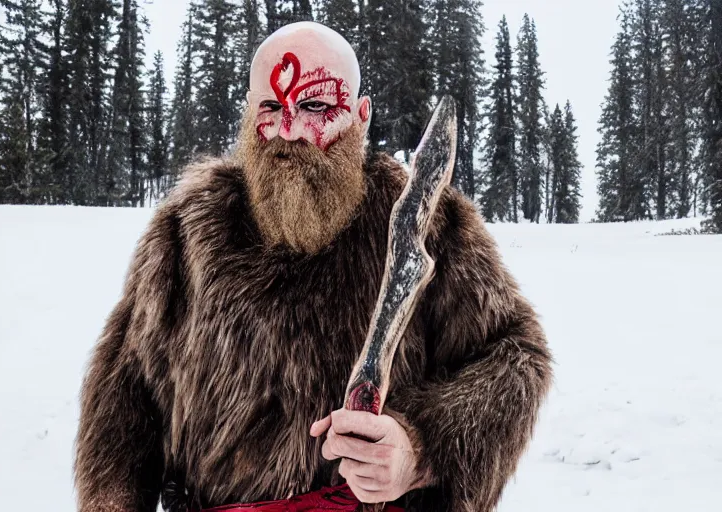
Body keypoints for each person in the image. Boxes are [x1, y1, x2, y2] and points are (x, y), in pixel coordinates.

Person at [74, 21, 552, 512]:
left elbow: (517, 358)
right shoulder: (185, 230)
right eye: (271, 107)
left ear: (360, 116)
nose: (289, 130)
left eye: (316, 105)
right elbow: (126, 398)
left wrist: (420, 448)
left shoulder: (425, 221)